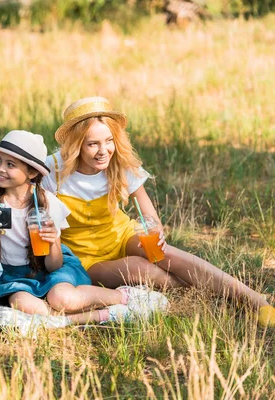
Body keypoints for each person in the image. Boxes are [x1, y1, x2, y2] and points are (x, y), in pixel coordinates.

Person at [43, 96, 275, 328]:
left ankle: (256, 302)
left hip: (120, 236)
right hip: (85, 258)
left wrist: (155, 230)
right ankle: (213, 295)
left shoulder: (118, 163)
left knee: (168, 255)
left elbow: (148, 213)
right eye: (92, 144)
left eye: (109, 140)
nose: (104, 151)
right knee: (140, 268)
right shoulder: (52, 171)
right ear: (76, 144)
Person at [0, 130, 168, 324]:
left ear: (31, 173)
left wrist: (53, 241)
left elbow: (54, 266)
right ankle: (98, 316)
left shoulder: (47, 203)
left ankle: (124, 297)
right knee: (21, 303)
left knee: (61, 297)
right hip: (17, 276)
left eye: (11, 164)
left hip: (54, 268)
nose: (0, 169)